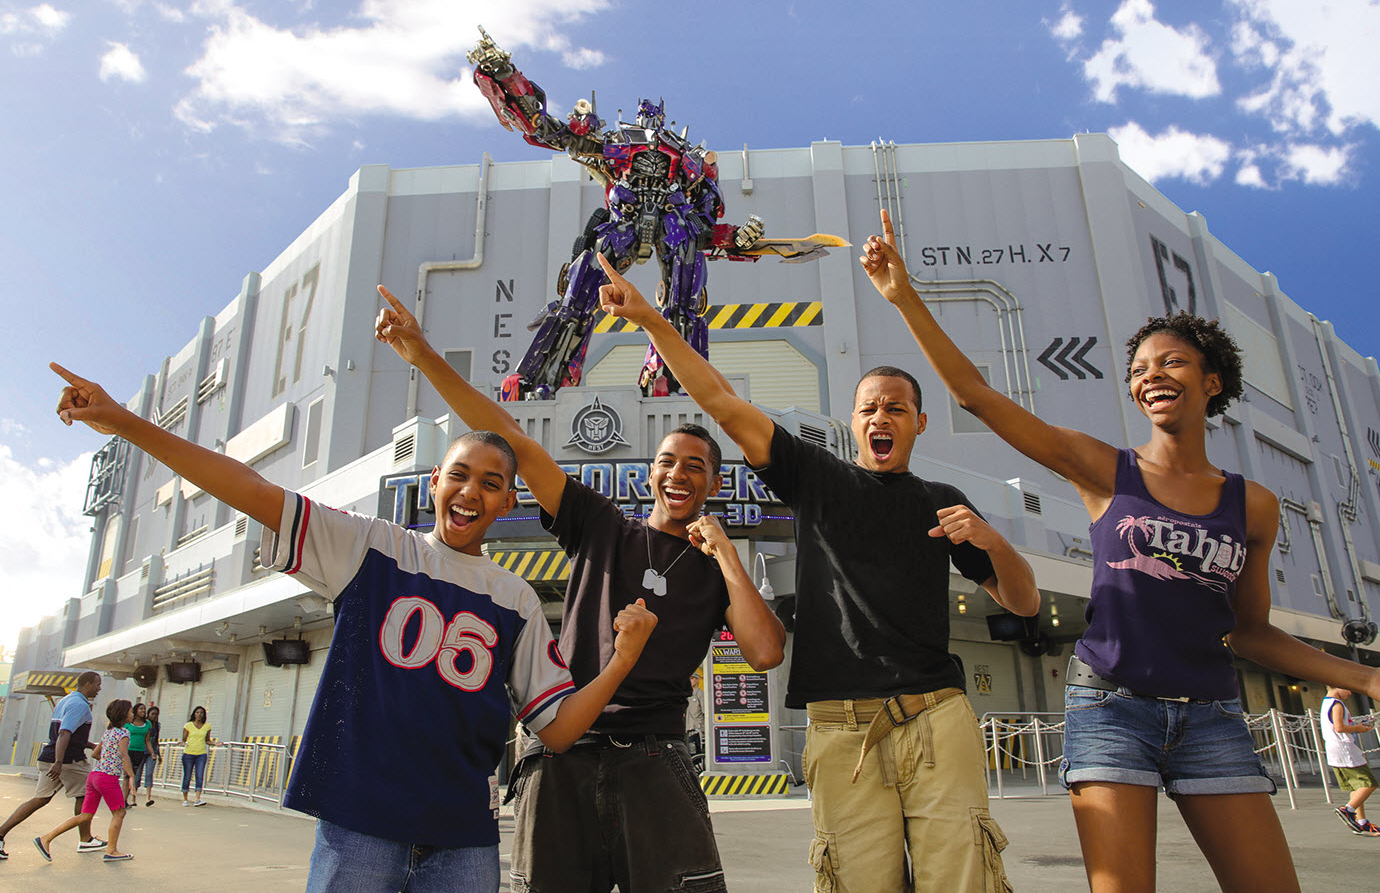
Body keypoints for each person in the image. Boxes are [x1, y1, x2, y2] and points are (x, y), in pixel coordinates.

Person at [857, 209, 1380, 893]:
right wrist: (904, 297)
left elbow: (1250, 632)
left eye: (1172, 362)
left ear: (1212, 381)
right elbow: (978, 397)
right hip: (1110, 709)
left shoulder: (1254, 506)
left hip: (1213, 717)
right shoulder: (1105, 469)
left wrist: (1367, 678)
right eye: (1139, 369)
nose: (1151, 375)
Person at [50, 360, 657, 893]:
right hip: (361, 824)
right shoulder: (371, 547)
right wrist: (126, 423)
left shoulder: (517, 600)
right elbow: (251, 488)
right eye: (459, 475)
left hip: (464, 840)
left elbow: (555, 729)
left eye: (491, 483)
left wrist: (622, 661)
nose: (471, 492)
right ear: (434, 484)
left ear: (507, 503)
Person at [592, 254, 1039, 893]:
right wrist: (650, 321)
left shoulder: (941, 501)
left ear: (917, 421)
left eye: (896, 408)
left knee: (961, 879)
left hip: (936, 714)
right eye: (868, 409)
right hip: (840, 725)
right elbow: (720, 402)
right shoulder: (817, 477)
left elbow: (1022, 604)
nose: (880, 418)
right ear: (853, 421)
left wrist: (993, 540)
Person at [374, 285, 786, 893]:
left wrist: (726, 554)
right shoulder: (601, 526)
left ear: (714, 484)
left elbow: (766, 651)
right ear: (651, 473)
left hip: (657, 758)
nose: (679, 473)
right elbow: (510, 436)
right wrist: (424, 356)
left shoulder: (712, 570)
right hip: (564, 754)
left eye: (696, 467)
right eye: (670, 461)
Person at [0, 670, 107, 860]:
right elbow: (64, 733)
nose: (100, 688)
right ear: (88, 684)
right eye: (98, 684)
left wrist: (90, 745)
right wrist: (59, 762)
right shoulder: (79, 705)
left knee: (40, 799)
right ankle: (85, 839)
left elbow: (69, 733)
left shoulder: (66, 700)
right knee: (86, 793)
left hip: (51, 757)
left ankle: (0, 834)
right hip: (68, 761)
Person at [34, 698, 137, 863]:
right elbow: (124, 755)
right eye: (131, 711)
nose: (132, 714)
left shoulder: (109, 732)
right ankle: (112, 850)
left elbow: (96, 754)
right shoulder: (123, 733)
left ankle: (46, 838)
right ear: (124, 714)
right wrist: (131, 776)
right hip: (107, 778)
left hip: (94, 776)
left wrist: (109, 758)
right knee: (119, 812)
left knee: (85, 815)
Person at [1321, 686, 1379, 835]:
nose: (1350, 693)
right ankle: (1348, 810)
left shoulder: (1326, 702)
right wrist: (1358, 728)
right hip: (1344, 749)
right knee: (1369, 784)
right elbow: (1339, 727)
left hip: (1334, 750)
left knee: (1356, 787)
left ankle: (1361, 822)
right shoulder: (1337, 704)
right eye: (1347, 689)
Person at [180, 705, 215, 806]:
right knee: (187, 776)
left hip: (201, 754)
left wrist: (214, 743)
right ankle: (185, 799)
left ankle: (197, 799)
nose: (199, 714)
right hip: (189, 753)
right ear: (194, 714)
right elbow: (184, 739)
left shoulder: (207, 726)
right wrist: (182, 743)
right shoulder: (188, 725)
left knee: (199, 775)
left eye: (201, 713)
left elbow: (207, 740)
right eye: (197, 712)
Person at [124, 703, 151, 808]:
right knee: (127, 775)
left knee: (133, 777)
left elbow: (147, 740)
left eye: (144, 709)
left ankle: (125, 799)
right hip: (128, 750)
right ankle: (123, 801)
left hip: (139, 752)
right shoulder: (128, 724)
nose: (143, 711)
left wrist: (152, 753)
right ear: (135, 711)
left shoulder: (147, 724)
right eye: (141, 709)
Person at [136, 705, 161, 806]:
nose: (154, 716)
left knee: (149, 773)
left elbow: (156, 740)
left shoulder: (157, 725)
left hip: (152, 752)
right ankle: (133, 797)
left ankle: (148, 798)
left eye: (156, 714)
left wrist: (158, 754)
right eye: (152, 714)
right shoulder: (144, 724)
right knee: (137, 775)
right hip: (141, 751)